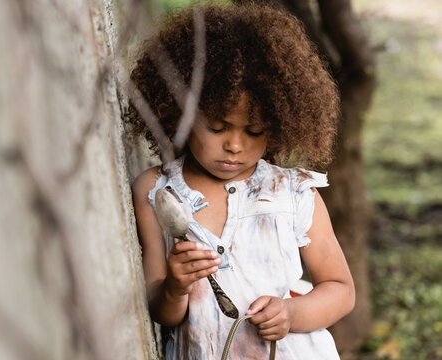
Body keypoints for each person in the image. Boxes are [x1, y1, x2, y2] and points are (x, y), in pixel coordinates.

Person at [128, 3, 355, 359]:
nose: (235, 145)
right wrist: (175, 287)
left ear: (279, 125)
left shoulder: (294, 193)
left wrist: (292, 313)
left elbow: (340, 289)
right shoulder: (156, 191)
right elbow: (161, 311)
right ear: (180, 113)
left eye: (254, 131)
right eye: (217, 128)